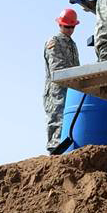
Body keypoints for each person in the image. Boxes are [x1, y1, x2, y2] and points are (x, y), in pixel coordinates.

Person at [43, 8, 80, 154]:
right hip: (57, 90)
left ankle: (66, 151)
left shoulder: (72, 44)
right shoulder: (54, 42)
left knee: (69, 120)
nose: (70, 30)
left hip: (71, 89)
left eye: (72, 27)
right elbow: (56, 69)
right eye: (67, 26)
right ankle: (55, 151)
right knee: (57, 119)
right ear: (60, 25)